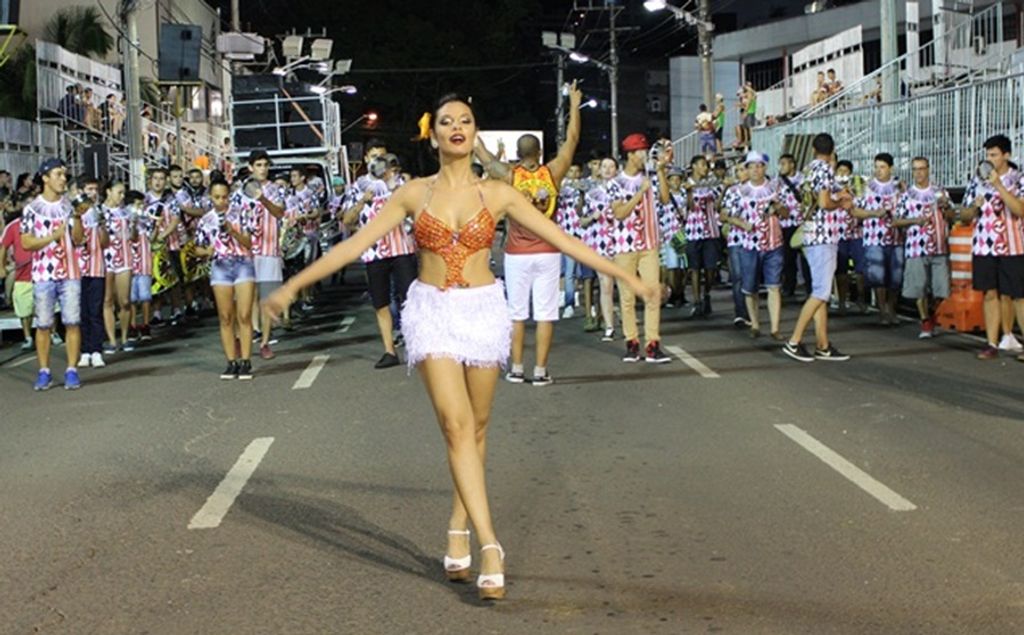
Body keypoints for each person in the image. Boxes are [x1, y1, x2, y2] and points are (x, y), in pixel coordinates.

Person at [263, 93, 655, 601]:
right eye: (446, 121)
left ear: (475, 134)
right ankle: (491, 544)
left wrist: (628, 279)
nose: (456, 127)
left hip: (484, 310)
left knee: (477, 427)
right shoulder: (412, 193)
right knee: (456, 425)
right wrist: (293, 285)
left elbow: (563, 240)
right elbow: (355, 246)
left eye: (465, 121)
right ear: (433, 137)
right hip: (431, 312)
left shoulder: (499, 193)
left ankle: (457, 522)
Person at [475, 82, 582, 385]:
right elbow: (572, 139)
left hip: (516, 254)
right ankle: (540, 371)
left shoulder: (508, 175)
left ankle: (517, 368)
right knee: (545, 314)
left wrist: (471, 130)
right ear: (539, 152)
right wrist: (574, 105)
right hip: (548, 252)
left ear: (517, 154)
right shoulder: (553, 172)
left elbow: (483, 156)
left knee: (517, 314)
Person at [341, 144, 416, 368]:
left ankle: (415, 346)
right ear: (366, 159)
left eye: (382, 157)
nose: (378, 162)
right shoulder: (358, 186)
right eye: (374, 157)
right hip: (374, 252)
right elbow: (347, 220)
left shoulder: (400, 183)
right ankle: (389, 351)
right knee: (381, 302)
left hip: (402, 248)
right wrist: (363, 201)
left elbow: (416, 210)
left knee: (410, 298)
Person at [782, 133, 853, 362]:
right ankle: (794, 341)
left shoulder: (808, 170)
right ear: (832, 151)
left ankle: (823, 344)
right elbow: (824, 202)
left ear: (813, 149)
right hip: (823, 235)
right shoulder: (824, 169)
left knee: (820, 291)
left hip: (811, 233)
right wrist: (840, 201)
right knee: (821, 292)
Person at [20, 159, 86, 390]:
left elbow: (79, 240)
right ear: (45, 178)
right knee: (43, 324)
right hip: (43, 273)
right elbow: (26, 242)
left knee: (72, 322)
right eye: (58, 174)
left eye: (64, 175)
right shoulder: (31, 209)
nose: (63, 179)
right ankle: (44, 371)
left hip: (70, 271)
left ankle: (71, 370)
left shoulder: (70, 206)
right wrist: (53, 236)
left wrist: (77, 217)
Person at [608, 133, 673, 364]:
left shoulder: (651, 177)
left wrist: (661, 171)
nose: (645, 156)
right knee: (627, 296)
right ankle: (632, 343)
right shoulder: (615, 183)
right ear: (630, 155)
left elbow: (665, 199)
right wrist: (640, 192)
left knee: (652, 294)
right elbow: (619, 213)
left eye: (645, 151)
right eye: (641, 152)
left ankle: (653, 344)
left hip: (649, 243)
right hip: (624, 246)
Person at [959, 134, 1024, 360]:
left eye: (994, 155)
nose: (990, 159)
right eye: (988, 155)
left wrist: (998, 185)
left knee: (1018, 295)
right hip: (984, 245)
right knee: (989, 293)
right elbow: (964, 214)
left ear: (1006, 155)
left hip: (1012, 246)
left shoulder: (1018, 179)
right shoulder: (977, 181)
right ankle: (991, 343)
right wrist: (973, 208)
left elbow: (1020, 210)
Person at [195, 179, 256, 380]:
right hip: (220, 267)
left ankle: (246, 360)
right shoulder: (205, 220)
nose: (221, 201)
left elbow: (249, 242)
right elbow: (197, 248)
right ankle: (231, 362)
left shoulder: (242, 213)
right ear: (210, 197)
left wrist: (233, 231)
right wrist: (207, 251)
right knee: (225, 316)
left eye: (224, 197)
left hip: (242, 264)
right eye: (217, 197)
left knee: (244, 315)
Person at [893, 157, 954, 339]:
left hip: (939, 245)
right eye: (915, 169)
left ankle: (932, 313)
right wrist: (914, 221)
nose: (918, 173)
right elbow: (896, 221)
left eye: (921, 169)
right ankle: (925, 320)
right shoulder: (906, 195)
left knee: (941, 288)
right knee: (918, 287)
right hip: (916, 247)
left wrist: (946, 208)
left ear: (928, 169)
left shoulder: (940, 191)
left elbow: (952, 215)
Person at [726, 152, 786, 339]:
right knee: (750, 287)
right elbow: (726, 215)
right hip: (749, 244)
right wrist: (743, 224)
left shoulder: (776, 187)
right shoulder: (738, 191)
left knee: (774, 286)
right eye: (751, 167)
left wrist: (778, 208)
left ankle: (775, 328)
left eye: (758, 166)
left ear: (764, 168)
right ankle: (755, 323)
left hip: (773, 243)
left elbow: (788, 212)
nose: (755, 170)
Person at [239, 150, 287, 360]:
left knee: (267, 299)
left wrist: (263, 199)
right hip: (246, 251)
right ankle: (250, 334)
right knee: (247, 297)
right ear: (250, 167)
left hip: (269, 251)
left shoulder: (275, 189)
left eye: (265, 165)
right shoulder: (240, 192)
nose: (263, 169)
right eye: (258, 165)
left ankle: (265, 342)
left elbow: (279, 212)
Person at [851, 153, 903, 325]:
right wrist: (874, 213)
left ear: (891, 168)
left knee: (896, 277)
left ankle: (892, 308)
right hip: (874, 237)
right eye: (876, 167)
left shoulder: (899, 186)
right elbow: (855, 211)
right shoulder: (867, 187)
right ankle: (883, 311)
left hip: (896, 237)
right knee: (878, 275)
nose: (879, 171)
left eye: (882, 167)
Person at [583, 157, 620, 341]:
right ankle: (609, 327)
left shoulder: (623, 191)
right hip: (600, 242)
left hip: (621, 242)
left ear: (617, 170)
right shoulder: (591, 194)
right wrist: (592, 217)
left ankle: (627, 324)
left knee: (624, 285)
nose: (607, 169)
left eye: (611, 166)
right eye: (604, 166)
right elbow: (582, 221)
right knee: (605, 285)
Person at [683, 155, 724, 319]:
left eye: (706, 165)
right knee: (694, 268)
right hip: (694, 231)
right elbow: (689, 207)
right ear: (693, 166)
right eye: (702, 164)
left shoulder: (711, 184)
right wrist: (689, 192)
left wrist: (724, 190)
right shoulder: (686, 184)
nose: (705, 168)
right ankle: (697, 301)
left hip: (711, 230)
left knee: (710, 268)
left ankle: (706, 293)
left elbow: (717, 206)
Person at [76, 181, 110, 368]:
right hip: (78, 269)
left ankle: (96, 350)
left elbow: (105, 243)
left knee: (95, 310)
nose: (93, 193)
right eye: (89, 189)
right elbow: (76, 239)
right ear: (82, 191)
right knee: (82, 312)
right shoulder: (74, 213)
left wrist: (102, 225)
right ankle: (84, 351)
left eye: (95, 189)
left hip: (97, 268)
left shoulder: (99, 212)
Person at [101, 181, 134, 353]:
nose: (122, 196)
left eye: (123, 193)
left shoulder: (126, 212)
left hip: (124, 257)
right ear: (108, 191)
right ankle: (112, 340)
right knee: (107, 300)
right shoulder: (99, 211)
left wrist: (134, 224)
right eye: (119, 192)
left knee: (125, 301)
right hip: (106, 257)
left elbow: (133, 237)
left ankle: (125, 336)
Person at [0, 194, 34, 350]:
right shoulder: (13, 226)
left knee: (51, 307)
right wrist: (1, 267)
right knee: (24, 310)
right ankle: (28, 337)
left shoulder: (44, 223)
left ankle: (53, 333)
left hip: (43, 274)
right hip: (22, 274)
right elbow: (3, 246)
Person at [833, 160, 866, 315]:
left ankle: (861, 299)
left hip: (857, 233)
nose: (842, 174)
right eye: (840, 171)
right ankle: (841, 302)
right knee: (841, 270)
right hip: (838, 234)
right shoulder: (832, 188)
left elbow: (863, 204)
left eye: (846, 171)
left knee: (861, 269)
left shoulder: (857, 187)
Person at [775, 153, 810, 297]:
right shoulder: (778, 182)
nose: (781, 167)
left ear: (792, 164)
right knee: (787, 257)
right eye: (780, 164)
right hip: (785, 223)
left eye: (784, 164)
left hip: (802, 222)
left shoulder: (804, 179)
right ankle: (789, 286)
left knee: (806, 257)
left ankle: (809, 287)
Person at [128, 189, 156, 342]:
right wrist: (133, 222)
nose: (140, 208)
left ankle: (146, 324)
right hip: (131, 262)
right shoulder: (127, 219)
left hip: (144, 262)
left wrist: (157, 225)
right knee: (131, 297)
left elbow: (152, 237)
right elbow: (132, 237)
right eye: (137, 204)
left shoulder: (146, 220)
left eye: (142, 204)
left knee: (145, 296)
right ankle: (132, 325)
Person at [658, 165, 687, 309]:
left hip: (683, 234)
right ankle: (672, 294)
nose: (675, 182)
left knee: (683, 267)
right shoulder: (664, 196)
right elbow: (658, 215)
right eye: (672, 179)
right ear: (668, 181)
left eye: (678, 179)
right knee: (672, 266)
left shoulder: (685, 195)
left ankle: (680, 293)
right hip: (669, 234)